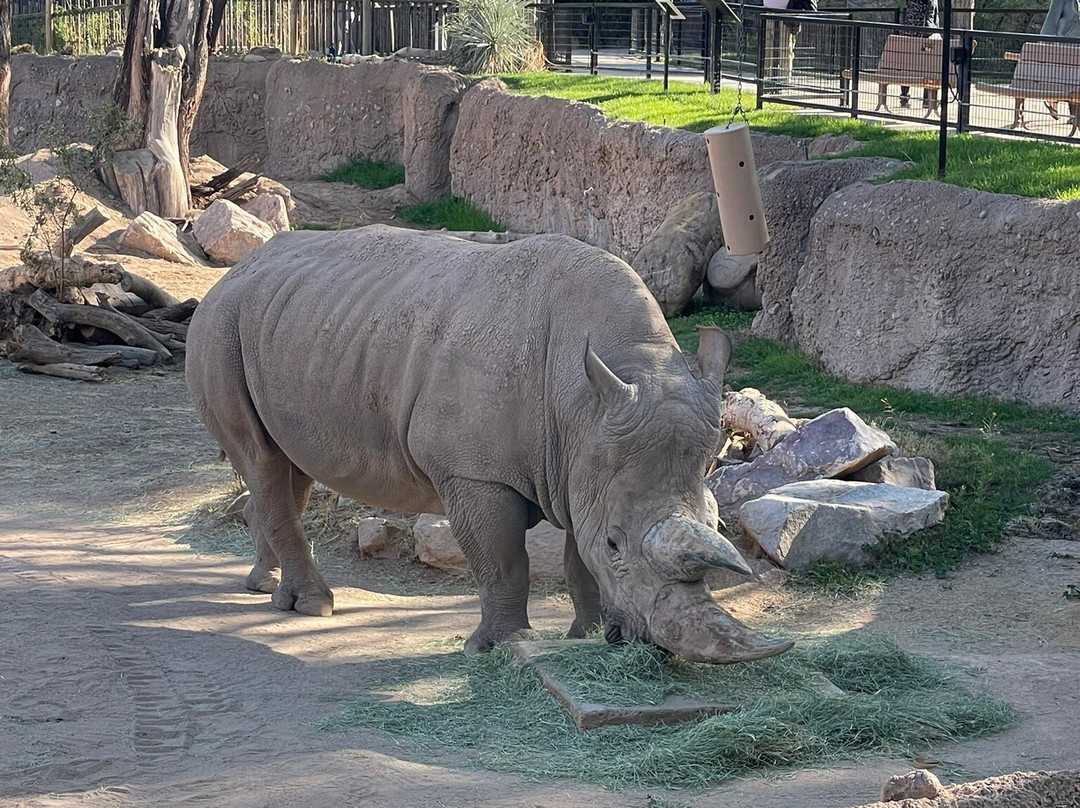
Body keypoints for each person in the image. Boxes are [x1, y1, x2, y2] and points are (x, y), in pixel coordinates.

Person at [1040, 0, 1080, 117]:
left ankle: (1073, 115)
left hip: (1076, 47)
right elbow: (1051, 21)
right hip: (1065, 47)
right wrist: (1045, 42)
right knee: (1069, 77)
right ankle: (1055, 101)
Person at [900, 0, 938, 108]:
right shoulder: (931, 2)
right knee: (928, 66)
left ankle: (904, 97)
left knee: (907, 66)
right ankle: (927, 100)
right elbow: (932, 16)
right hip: (926, 34)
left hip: (909, 33)